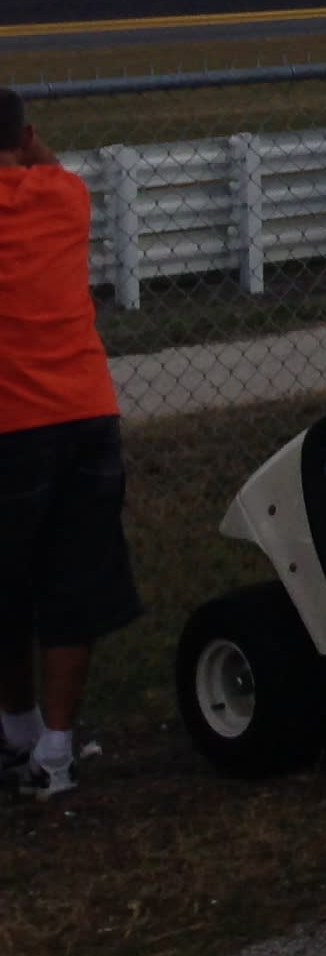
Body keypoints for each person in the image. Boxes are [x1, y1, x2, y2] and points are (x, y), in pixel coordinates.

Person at [0, 91, 138, 804]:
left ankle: (18, 727)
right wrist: (32, 146)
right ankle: (55, 752)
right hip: (86, 414)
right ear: (24, 137)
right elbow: (45, 161)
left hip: (10, 426)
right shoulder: (65, 194)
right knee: (71, 582)